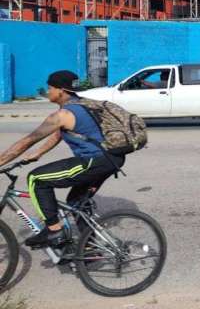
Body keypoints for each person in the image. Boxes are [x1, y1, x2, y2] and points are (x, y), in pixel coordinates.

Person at [0, 70, 125, 248]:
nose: (47, 91)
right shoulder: (80, 105)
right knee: (76, 202)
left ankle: (54, 231)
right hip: (110, 159)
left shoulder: (63, 115)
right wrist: (40, 153)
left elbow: (27, 141)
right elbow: (61, 133)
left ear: (61, 90)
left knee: (36, 179)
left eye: (50, 87)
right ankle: (89, 249)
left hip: (95, 161)